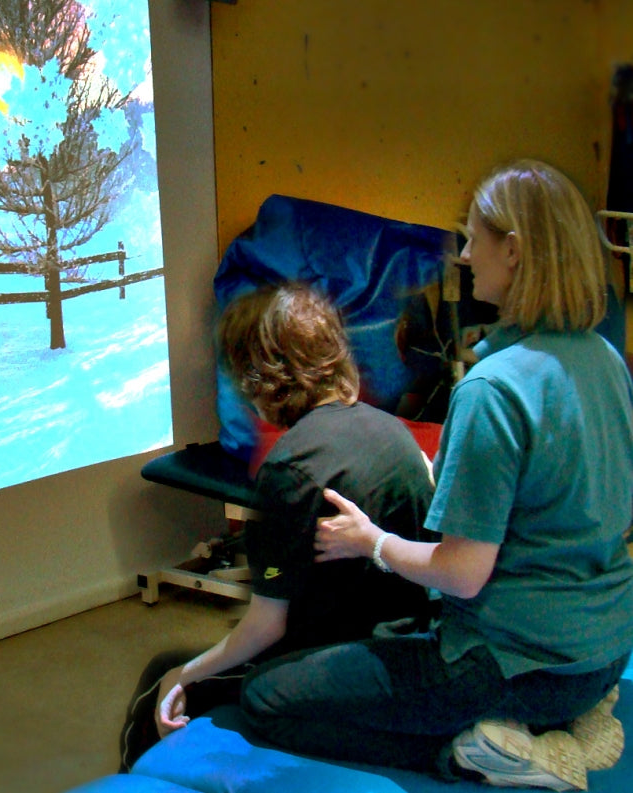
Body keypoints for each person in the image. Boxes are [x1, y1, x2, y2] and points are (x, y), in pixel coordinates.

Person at [239, 159, 633, 792]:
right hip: (605, 650)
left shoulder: (492, 389)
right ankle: (570, 720)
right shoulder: (606, 361)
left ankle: (475, 753)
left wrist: (372, 542)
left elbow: (463, 574)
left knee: (266, 698)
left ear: (514, 251)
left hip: (514, 664)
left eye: (475, 238)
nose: (466, 255)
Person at [119, 281, 439, 771]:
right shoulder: (393, 433)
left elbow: (267, 626)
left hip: (336, 664)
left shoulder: (290, 470)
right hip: (408, 648)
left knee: (160, 679)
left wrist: (185, 675)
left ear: (259, 379)